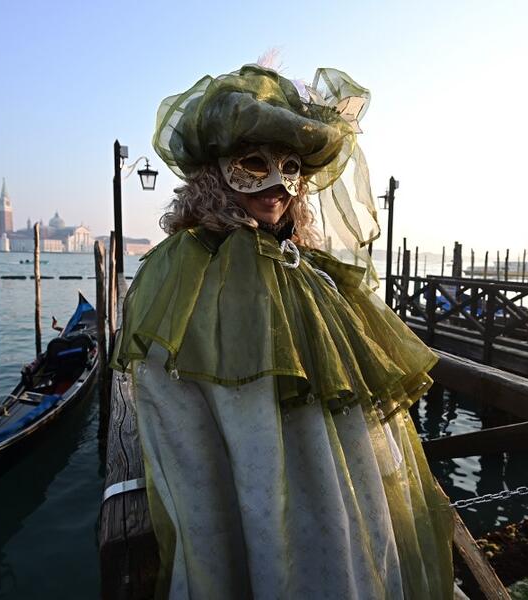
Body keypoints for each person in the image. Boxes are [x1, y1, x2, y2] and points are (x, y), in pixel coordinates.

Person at [112, 62, 454, 599]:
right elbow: (173, 410)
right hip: (256, 495)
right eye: (254, 162)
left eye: (291, 166)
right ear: (214, 169)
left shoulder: (306, 264)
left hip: (345, 493)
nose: (276, 182)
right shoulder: (185, 271)